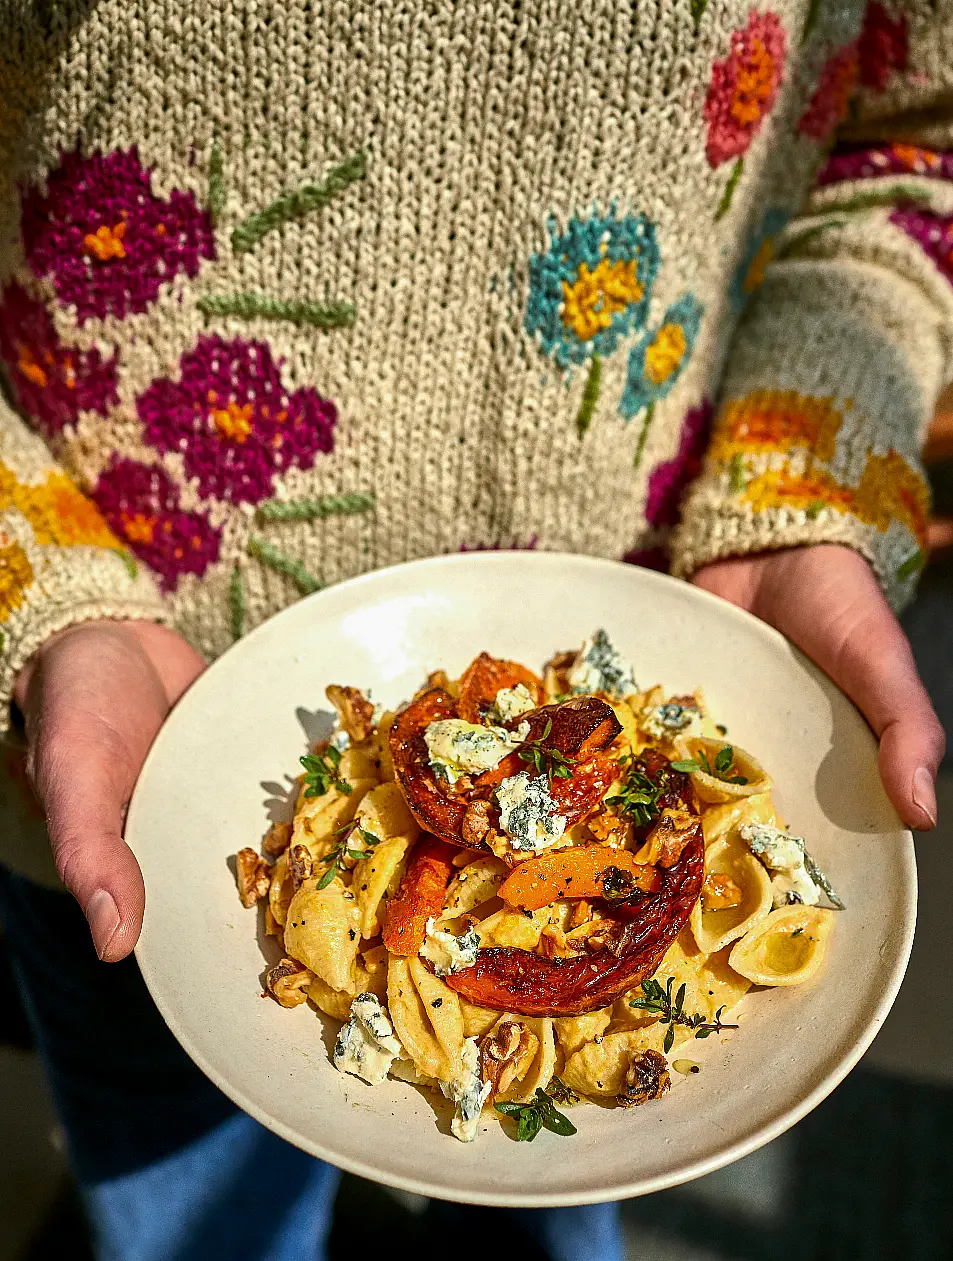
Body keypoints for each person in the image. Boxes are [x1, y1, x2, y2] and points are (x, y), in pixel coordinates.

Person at [0, 0, 947, 1257]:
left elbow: (903, 150)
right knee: (195, 1228)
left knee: (547, 1210)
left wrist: (801, 486)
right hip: (122, 754)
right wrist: (44, 591)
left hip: (650, 690)